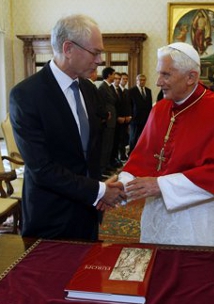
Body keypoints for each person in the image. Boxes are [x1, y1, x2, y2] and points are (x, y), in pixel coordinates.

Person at [116, 42, 214, 247]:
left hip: (201, 217)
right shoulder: (159, 109)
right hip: (159, 211)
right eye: (158, 74)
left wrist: (160, 184)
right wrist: (121, 187)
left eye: (166, 75)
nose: (158, 82)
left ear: (191, 77)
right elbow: (142, 157)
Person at [9, 14, 126, 241]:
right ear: (68, 48)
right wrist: (99, 190)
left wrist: (97, 188)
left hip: (88, 212)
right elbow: (41, 168)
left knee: (86, 275)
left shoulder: (89, 89)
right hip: (50, 217)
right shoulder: (26, 95)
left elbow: (89, 150)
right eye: (95, 52)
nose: (100, 60)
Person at [98, 67, 117, 176]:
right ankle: (101, 168)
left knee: (109, 145)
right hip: (107, 121)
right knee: (105, 146)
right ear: (109, 75)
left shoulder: (109, 87)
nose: (114, 76)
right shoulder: (102, 87)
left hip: (112, 120)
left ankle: (106, 165)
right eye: (113, 74)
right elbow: (101, 104)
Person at [128, 74, 152, 154]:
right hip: (135, 119)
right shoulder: (131, 91)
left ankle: (141, 154)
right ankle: (132, 154)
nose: (142, 82)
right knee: (133, 138)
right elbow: (129, 105)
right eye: (140, 80)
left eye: (143, 80)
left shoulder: (148, 91)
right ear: (136, 81)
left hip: (146, 119)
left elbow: (149, 105)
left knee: (144, 138)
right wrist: (131, 116)